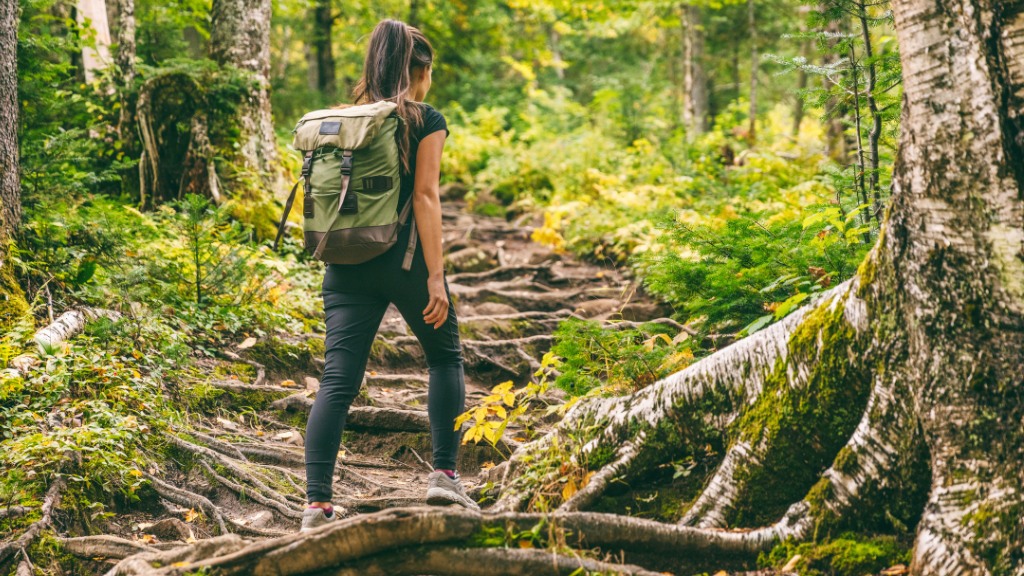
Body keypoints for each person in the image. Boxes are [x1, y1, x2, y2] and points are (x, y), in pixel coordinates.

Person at [300, 19, 479, 532]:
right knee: (445, 357)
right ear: (417, 70)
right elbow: (425, 196)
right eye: (429, 72)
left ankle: (316, 504)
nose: (430, 83)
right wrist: (435, 277)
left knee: (337, 380)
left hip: (346, 264)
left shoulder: (344, 119)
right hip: (405, 263)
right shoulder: (424, 118)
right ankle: (444, 475)